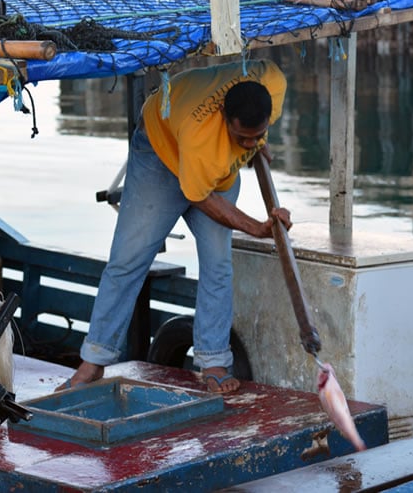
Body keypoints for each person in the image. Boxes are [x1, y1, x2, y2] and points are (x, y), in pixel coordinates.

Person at [57, 59, 291, 394]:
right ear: (224, 120)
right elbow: (200, 197)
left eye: (257, 135)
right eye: (242, 136)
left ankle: (213, 361)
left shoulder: (274, 80)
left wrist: (252, 142)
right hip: (159, 153)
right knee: (129, 259)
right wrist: (257, 228)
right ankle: (93, 362)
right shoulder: (200, 136)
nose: (250, 144)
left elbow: (250, 115)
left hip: (212, 163)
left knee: (218, 263)